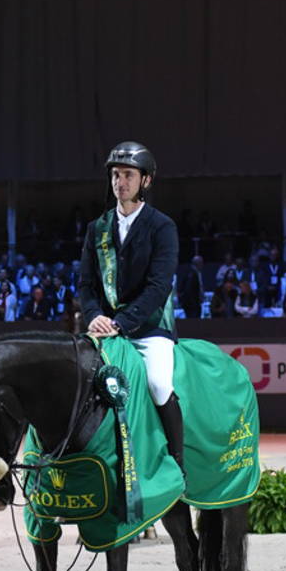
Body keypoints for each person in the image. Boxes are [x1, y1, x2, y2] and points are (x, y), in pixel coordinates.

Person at [77, 141, 186, 479]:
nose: (119, 182)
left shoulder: (162, 226)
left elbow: (159, 286)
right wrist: (94, 315)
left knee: (158, 384)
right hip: (103, 326)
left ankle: (177, 465)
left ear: (145, 181)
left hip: (149, 328)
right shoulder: (97, 228)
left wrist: (121, 323)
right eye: (115, 175)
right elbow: (86, 285)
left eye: (127, 175)